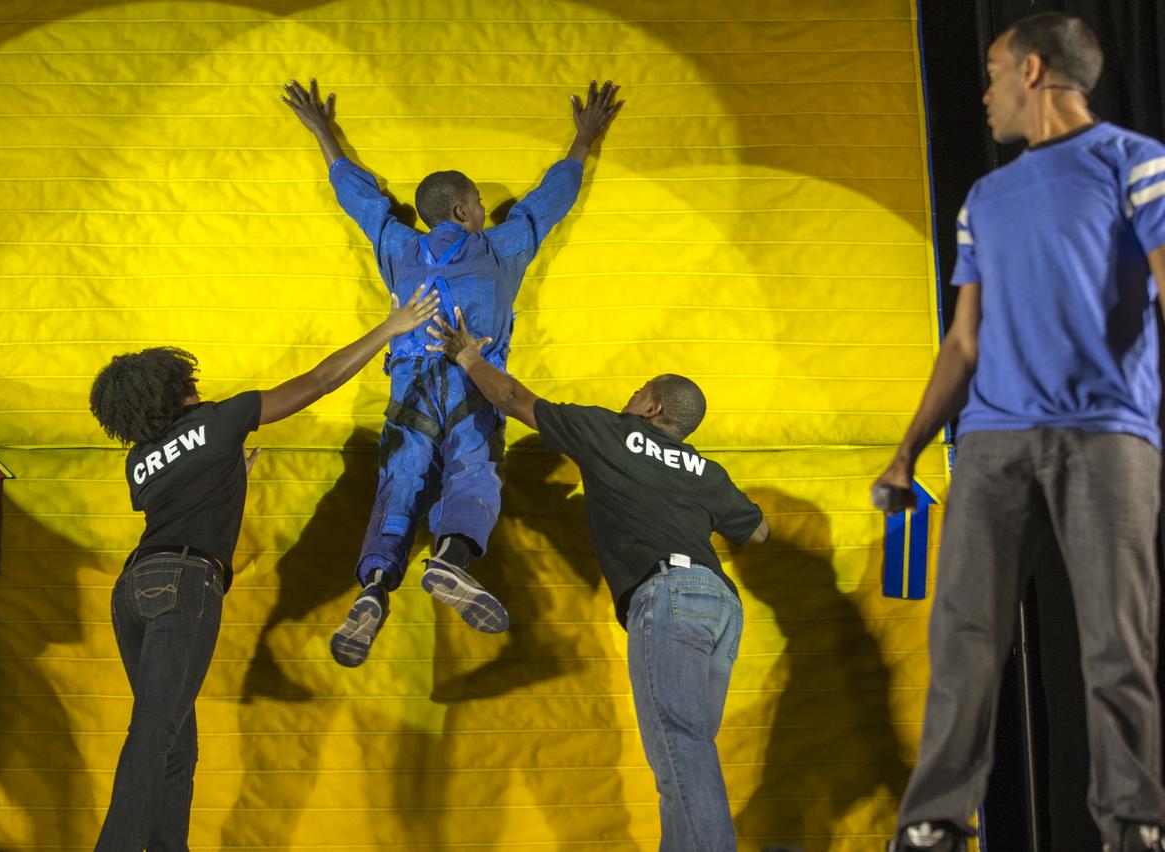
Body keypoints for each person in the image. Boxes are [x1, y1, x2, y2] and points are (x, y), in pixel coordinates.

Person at [871, 13, 1165, 852]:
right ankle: (935, 820)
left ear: (1033, 70)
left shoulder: (1136, 166)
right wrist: (907, 450)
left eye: (994, 72)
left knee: (1116, 634)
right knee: (964, 633)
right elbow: (963, 339)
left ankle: (1133, 822)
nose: (986, 92)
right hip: (994, 441)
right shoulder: (987, 198)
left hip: (1104, 436)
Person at [281, 76, 623, 667]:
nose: (487, 211)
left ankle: (374, 587)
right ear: (465, 211)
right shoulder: (497, 248)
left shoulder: (396, 245)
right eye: (480, 205)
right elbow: (550, 202)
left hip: (409, 381)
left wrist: (322, 131)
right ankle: (451, 560)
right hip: (474, 376)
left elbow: (354, 194)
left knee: (400, 481)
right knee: (473, 473)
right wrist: (583, 140)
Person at [88, 288, 438, 850]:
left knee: (175, 743)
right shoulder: (221, 421)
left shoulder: (138, 464)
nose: (195, 386)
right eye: (186, 382)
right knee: (156, 733)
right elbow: (319, 381)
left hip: (133, 589)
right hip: (185, 583)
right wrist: (389, 330)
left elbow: (186, 502)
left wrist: (231, 476)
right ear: (174, 389)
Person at [427, 307, 769, 852]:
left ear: (652, 407)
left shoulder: (614, 433)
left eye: (637, 393)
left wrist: (468, 355)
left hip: (670, 599)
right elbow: (758, 533)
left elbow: (515, 400)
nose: (629, 399)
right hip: (721, 608)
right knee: (689, 752)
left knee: (679, 748)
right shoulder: (708, 470)